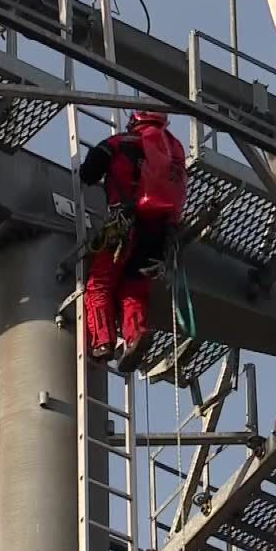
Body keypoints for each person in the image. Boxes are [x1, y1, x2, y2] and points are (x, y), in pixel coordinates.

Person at [79, 110, 188, 370]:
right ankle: (135, 336)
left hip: (124, 225)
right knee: (133, 289)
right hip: (160, 234)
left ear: (134, 121)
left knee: (99, 284)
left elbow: (88, 173)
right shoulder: (175, 151)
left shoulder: (119, 143)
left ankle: (102, 341)